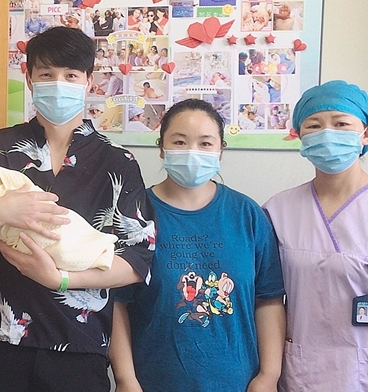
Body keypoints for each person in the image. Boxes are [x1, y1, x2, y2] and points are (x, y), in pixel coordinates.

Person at [0, 26, 155, 392]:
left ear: (89, 81)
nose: (58, 83)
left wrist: (61, 280)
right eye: (47, 74)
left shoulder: (118, 162)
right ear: (29, 79)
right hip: (1, 342)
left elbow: (137, 261)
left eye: (70, 75)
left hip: (79, 346)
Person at [110, 98, 285, 392]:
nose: (192, 152)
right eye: (179, 142)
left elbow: (269, 300)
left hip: (239, 383)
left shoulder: (247, 214)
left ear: (220, 151)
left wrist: (268, 376)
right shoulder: (136, 215)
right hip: (154, 381)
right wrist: (126, 379)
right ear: (161, 148)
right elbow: (117, 303)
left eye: (205, 143)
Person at [264, 80, 368, 391]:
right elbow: (266, 299)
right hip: (301, 368)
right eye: (314, 125)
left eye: (341, 123)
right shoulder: (277, 210)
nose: (327, 133)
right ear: (300, 135)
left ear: (364, 133)